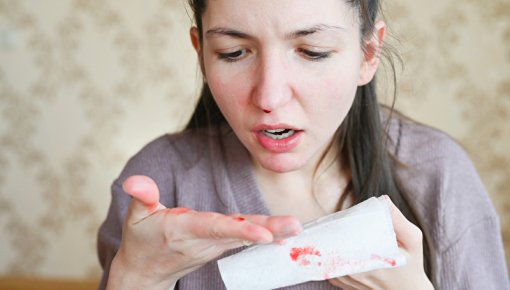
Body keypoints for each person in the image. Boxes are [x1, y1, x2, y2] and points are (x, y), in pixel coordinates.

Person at [97, 0, 510, 289]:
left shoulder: (438, 175)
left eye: (312, 52)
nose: (270, 97)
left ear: (368, 52)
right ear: (201, 52)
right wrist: (136, 280)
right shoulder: (160, 187)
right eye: (234, 52)